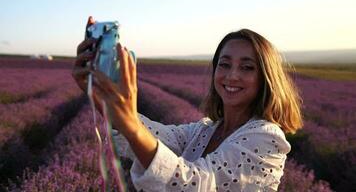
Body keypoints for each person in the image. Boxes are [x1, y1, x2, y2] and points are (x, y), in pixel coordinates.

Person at [73, 28, 303, 191]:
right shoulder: (205, 130)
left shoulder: (266, 137)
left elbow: (194, 183)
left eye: (247, 67)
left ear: (265, 78)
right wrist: (102, 96)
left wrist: (131, 125)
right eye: (224, 64)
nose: (232, 75)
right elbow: (155, 136)